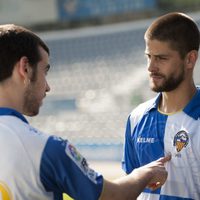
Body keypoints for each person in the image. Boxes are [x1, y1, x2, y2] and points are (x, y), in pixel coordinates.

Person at [0, 24, 170, 200]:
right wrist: (146, 173)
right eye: (45, 71)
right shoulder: (44, 149)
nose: (48, 87)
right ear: (25, 68)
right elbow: (113, 196)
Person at [122, 12, 200, 199]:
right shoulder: (136, 118)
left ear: (190, 59)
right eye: (149, 56)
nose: (150, 67)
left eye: (161, 58)